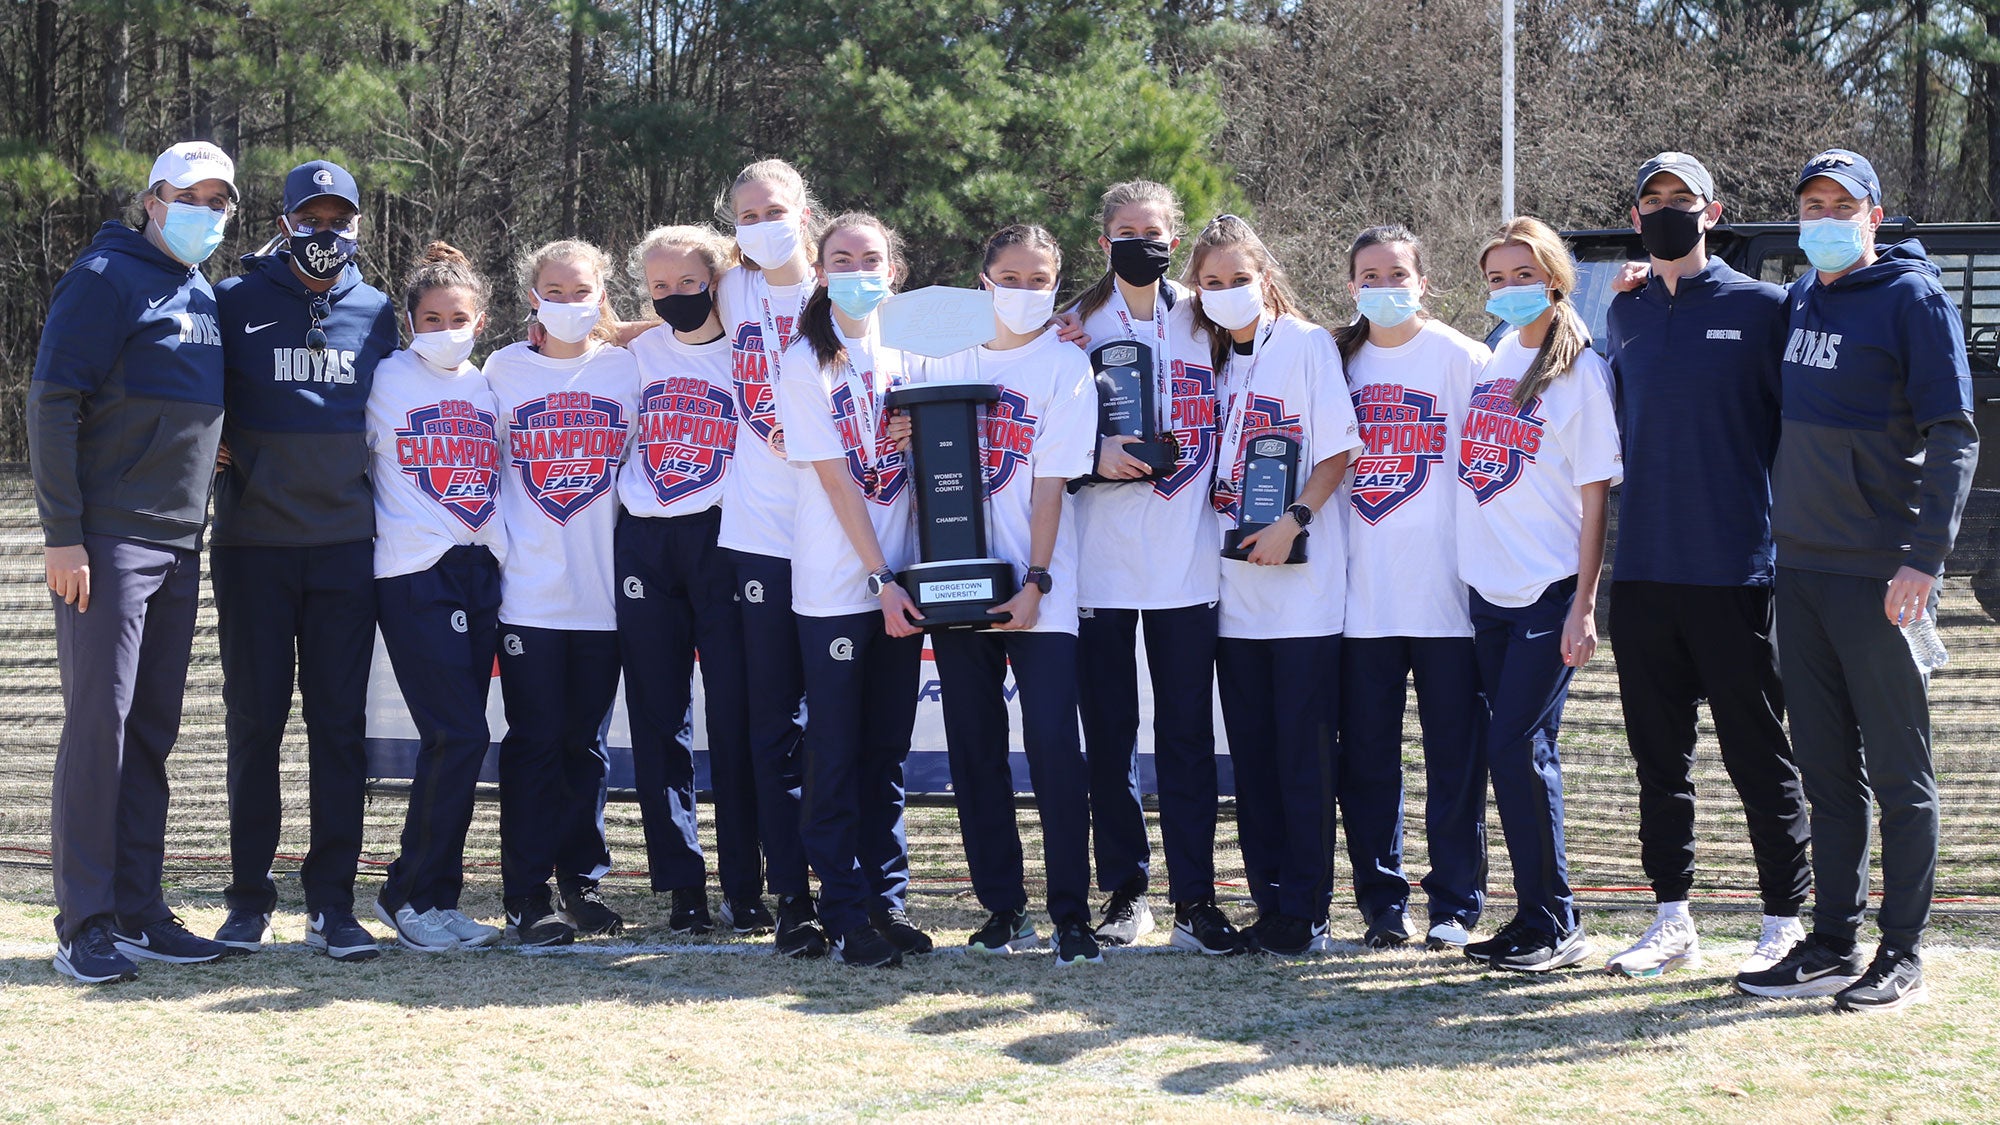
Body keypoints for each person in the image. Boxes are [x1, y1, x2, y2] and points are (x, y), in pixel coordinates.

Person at [1736, 150, 1978, 1012]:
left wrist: (1923, 559)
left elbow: (1954, 432)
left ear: (1875, 216)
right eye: (1813, 202)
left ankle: (1901, 953)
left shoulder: (1914, 299)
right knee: (1828, 772)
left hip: (1882, 576)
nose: (1827, 216)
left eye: (1845, 203)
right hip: (1798, 569)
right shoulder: (1803, 294)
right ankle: (1832, 942)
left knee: (1901, 774)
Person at [30, 141, 241, 982]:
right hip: (107, 541)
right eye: (191, 194)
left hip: (179, 540)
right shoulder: (104, 277)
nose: (207, 211)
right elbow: (53, 401)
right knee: (100, 727)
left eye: (221, 199)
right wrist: (62, 534)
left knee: (151, 730)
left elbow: (176, 401)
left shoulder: (199, 290)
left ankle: (141, 908)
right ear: (153, 200)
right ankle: (84, 920)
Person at [1601, 153, 1811, 980]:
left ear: (1712, 211)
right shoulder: (1623, 312)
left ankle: (1786, 919)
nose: (1664, 211)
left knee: (1760, 755)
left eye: (1679, 200)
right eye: (1651, 199)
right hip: (1644, 573)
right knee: (1660, 760)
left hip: (1737, 573)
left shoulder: (1766, 309)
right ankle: (1672, 920)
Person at [211, 159, 398, 962]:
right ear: (284, 221)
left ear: (358, 224)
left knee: (339, 729)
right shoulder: (231, 300)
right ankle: (248, 898)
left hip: (345, 550)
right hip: (252, 547)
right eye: (311, 217)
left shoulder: (380, 311)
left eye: (341, 219)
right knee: (255, 724)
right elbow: (188, 387)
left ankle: (333, 903)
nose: (327, 233)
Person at [922, 224, 1102, 965]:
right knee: (973, 748)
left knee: (1056, 747)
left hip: (1039, 588)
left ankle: (1072, 914)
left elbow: (1051, 486)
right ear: (983, 279)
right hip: (955, 580)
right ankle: (1003, 907)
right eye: (1011, 276)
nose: (1025, 291)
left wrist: (1036, 580)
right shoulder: (943, 353)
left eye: (1041, 279)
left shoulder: (1066, 366)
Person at [1064, 181, 1236, 953]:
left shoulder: (1209, 317)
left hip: (1187, 562)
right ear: (1105, 242)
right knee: (1109, 734)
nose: (1144, 240)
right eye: (1127, 230)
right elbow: (1026, 428)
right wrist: (1085, 455)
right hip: (1098, 561)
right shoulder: (1072, 326)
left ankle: (1195, 895)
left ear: (1177, 237)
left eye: (1157, 229)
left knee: (1189, 735)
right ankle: (1125, 891)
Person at [1456, 216, 1622, 973]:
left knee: (1516, 746)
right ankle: (1534, 916)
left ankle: (1554, 921)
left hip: (1549, 590)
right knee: (1519, 753)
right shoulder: (1494, 357)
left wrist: (1584, 603)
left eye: (1522, 275)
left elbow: (1596, 500)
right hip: (1489, 589)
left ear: (1555, 277)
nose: (1508, 288)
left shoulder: (1579, 370)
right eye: (1495, 277)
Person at [1195, 216, 1362, 956]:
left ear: (1265, 275)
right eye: (1211, 282)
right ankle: (1269, 901)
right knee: (1254, 760)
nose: (1227, 293)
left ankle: (1307, 906)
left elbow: (1338, 452)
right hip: (1233, 595)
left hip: (1303, 589)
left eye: (1239, 278)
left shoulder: (1305, 343)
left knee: (1302, 758)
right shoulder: (1204, 354)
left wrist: (1295, 519)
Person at [774, 212, 931, 968]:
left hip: (904, 579)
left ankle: (885, 899)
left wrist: (922, 434)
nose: (859, 270)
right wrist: (880, 577)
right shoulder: (806, 358)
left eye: (872, 258)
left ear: (894, 269)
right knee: (834, 755)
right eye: (843, 259)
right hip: (842, 584)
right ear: (821, 270)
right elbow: (836, 479)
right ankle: (841, 908)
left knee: (886, 752)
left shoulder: (911, 348)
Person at [1335, 225, 1493, 954]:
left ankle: (1455, 903)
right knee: (1367, 762)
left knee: (1455, 760)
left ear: (1424, 279)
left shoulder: (1465, 358)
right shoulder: (1334, 358)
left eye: (1397, 271)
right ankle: (1382, 903)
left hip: (1449, 601)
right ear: (1350, 286)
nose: (1383, 284)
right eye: (1369, 274)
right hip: (1358, 602)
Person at [486, 239, 639, 946]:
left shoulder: (626, 370)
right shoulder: (501, 370)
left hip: (603, 596)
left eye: (583, 291)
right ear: (532, 298)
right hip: (530, 594)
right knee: (534, 743)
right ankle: (526, 893)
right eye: (556, 289)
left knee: (588, 747)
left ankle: (583, 882)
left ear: (602, 293)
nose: (570, 302)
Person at [616, 224, 768, 935]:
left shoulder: (750, 350)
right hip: (645, 541)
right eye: (660, 287)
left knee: (736, 717)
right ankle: (681, 886)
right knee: (657, 721)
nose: (675, 297)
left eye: (688, 282)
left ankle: (746, 884)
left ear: (719, 279)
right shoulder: (638, 353)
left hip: (724, 539)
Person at [365, 242, 508, 953]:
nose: (444, 327)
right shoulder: (385, 377)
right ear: (410, 321)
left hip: (480, 568)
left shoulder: (487, 384)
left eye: (458, 316)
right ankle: (404, 893)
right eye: (430, 316)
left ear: (480, 320)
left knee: (465, 738)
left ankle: (439, 898)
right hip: (414, 571)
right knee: (458, 734)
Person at [715, 160, 821, 954]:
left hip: (846, 541)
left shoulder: (852, 285)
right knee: (772, 726)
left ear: (804, 212)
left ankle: (854, 880)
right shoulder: (731, 290)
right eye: (747, 214)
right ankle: (793, 894)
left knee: (845, 728)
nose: (761, 224)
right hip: (757, 539)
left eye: (774, 209)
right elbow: (666, 313)